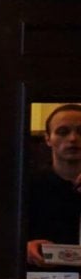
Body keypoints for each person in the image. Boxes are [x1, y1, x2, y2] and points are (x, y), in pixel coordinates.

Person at [26, 104, 81, 267]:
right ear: (48, 138)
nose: (73, 139)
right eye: (63, 132)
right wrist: (24, 246)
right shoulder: (28, 186)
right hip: (40, 278)